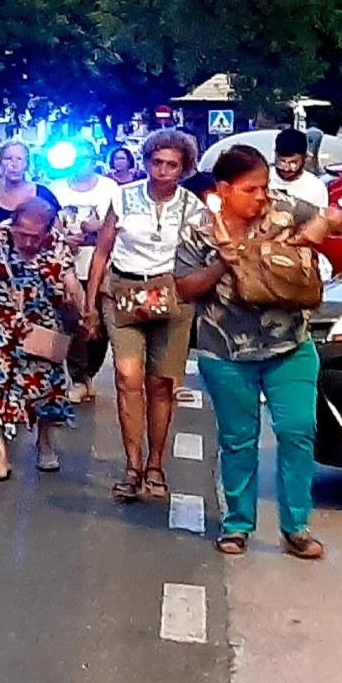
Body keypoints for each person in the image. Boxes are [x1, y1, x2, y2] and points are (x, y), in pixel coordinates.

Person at [176, 144, 342, 559]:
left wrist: (326, 225)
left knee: (298, 431)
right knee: (238, 440)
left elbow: (335, 226)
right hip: (225, 352)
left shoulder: (288, 210)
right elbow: (184, 288)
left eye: (265, 186)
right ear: (224, 189)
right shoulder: (199, 228)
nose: (261, 196)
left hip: (290, 346)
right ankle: (237, 525)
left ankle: (296, 526)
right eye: (251, 189)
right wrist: (222, 263)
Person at [85, 129, 203, 502]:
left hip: (171, 296)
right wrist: (89, 305)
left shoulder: (193, 206)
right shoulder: (122, 197)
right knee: (126, 376)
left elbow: (203, 257)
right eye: (157, 162)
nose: (163, 171)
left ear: (184, 168)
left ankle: (156, 463)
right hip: (123, 291)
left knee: (161, 384)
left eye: (172, 164)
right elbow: (102, 252)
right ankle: (132, 464)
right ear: (146, 162)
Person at [0, 199, 82, 481]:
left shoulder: (57, 245)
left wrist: (81, 307)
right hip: (1, 324)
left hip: (44, 327)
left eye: (34, 236)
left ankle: (45, 443)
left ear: (47, 231)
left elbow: (71, 281)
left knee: (47, 387)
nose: (27, 241)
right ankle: (2, 455)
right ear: (13, 225)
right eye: (22, 233)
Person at [50, 141, 120, 403]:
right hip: (68, 266)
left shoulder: (110, 189)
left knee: (98, 327)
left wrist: (98, 226)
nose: (82, 164)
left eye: (86, 158)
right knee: (74, 323)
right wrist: (63, 238)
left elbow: (119, 223)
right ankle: (79, 378)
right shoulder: (56, 189)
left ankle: (90, 373)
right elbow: (48, 223)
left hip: (101, 266)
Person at [0, 140, 60, 232]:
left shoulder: (44, 195)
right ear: (0, 163)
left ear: (26, 164)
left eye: (19, 159)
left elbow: (58, 231)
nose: (14, 164)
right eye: (8, 158)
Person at [270, 127, 328, 209]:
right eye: (282, 161)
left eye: (293, 163)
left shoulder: (316, 188)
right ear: (275, 155)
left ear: (305, 158)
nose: (286, 169)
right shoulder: (263, 180)